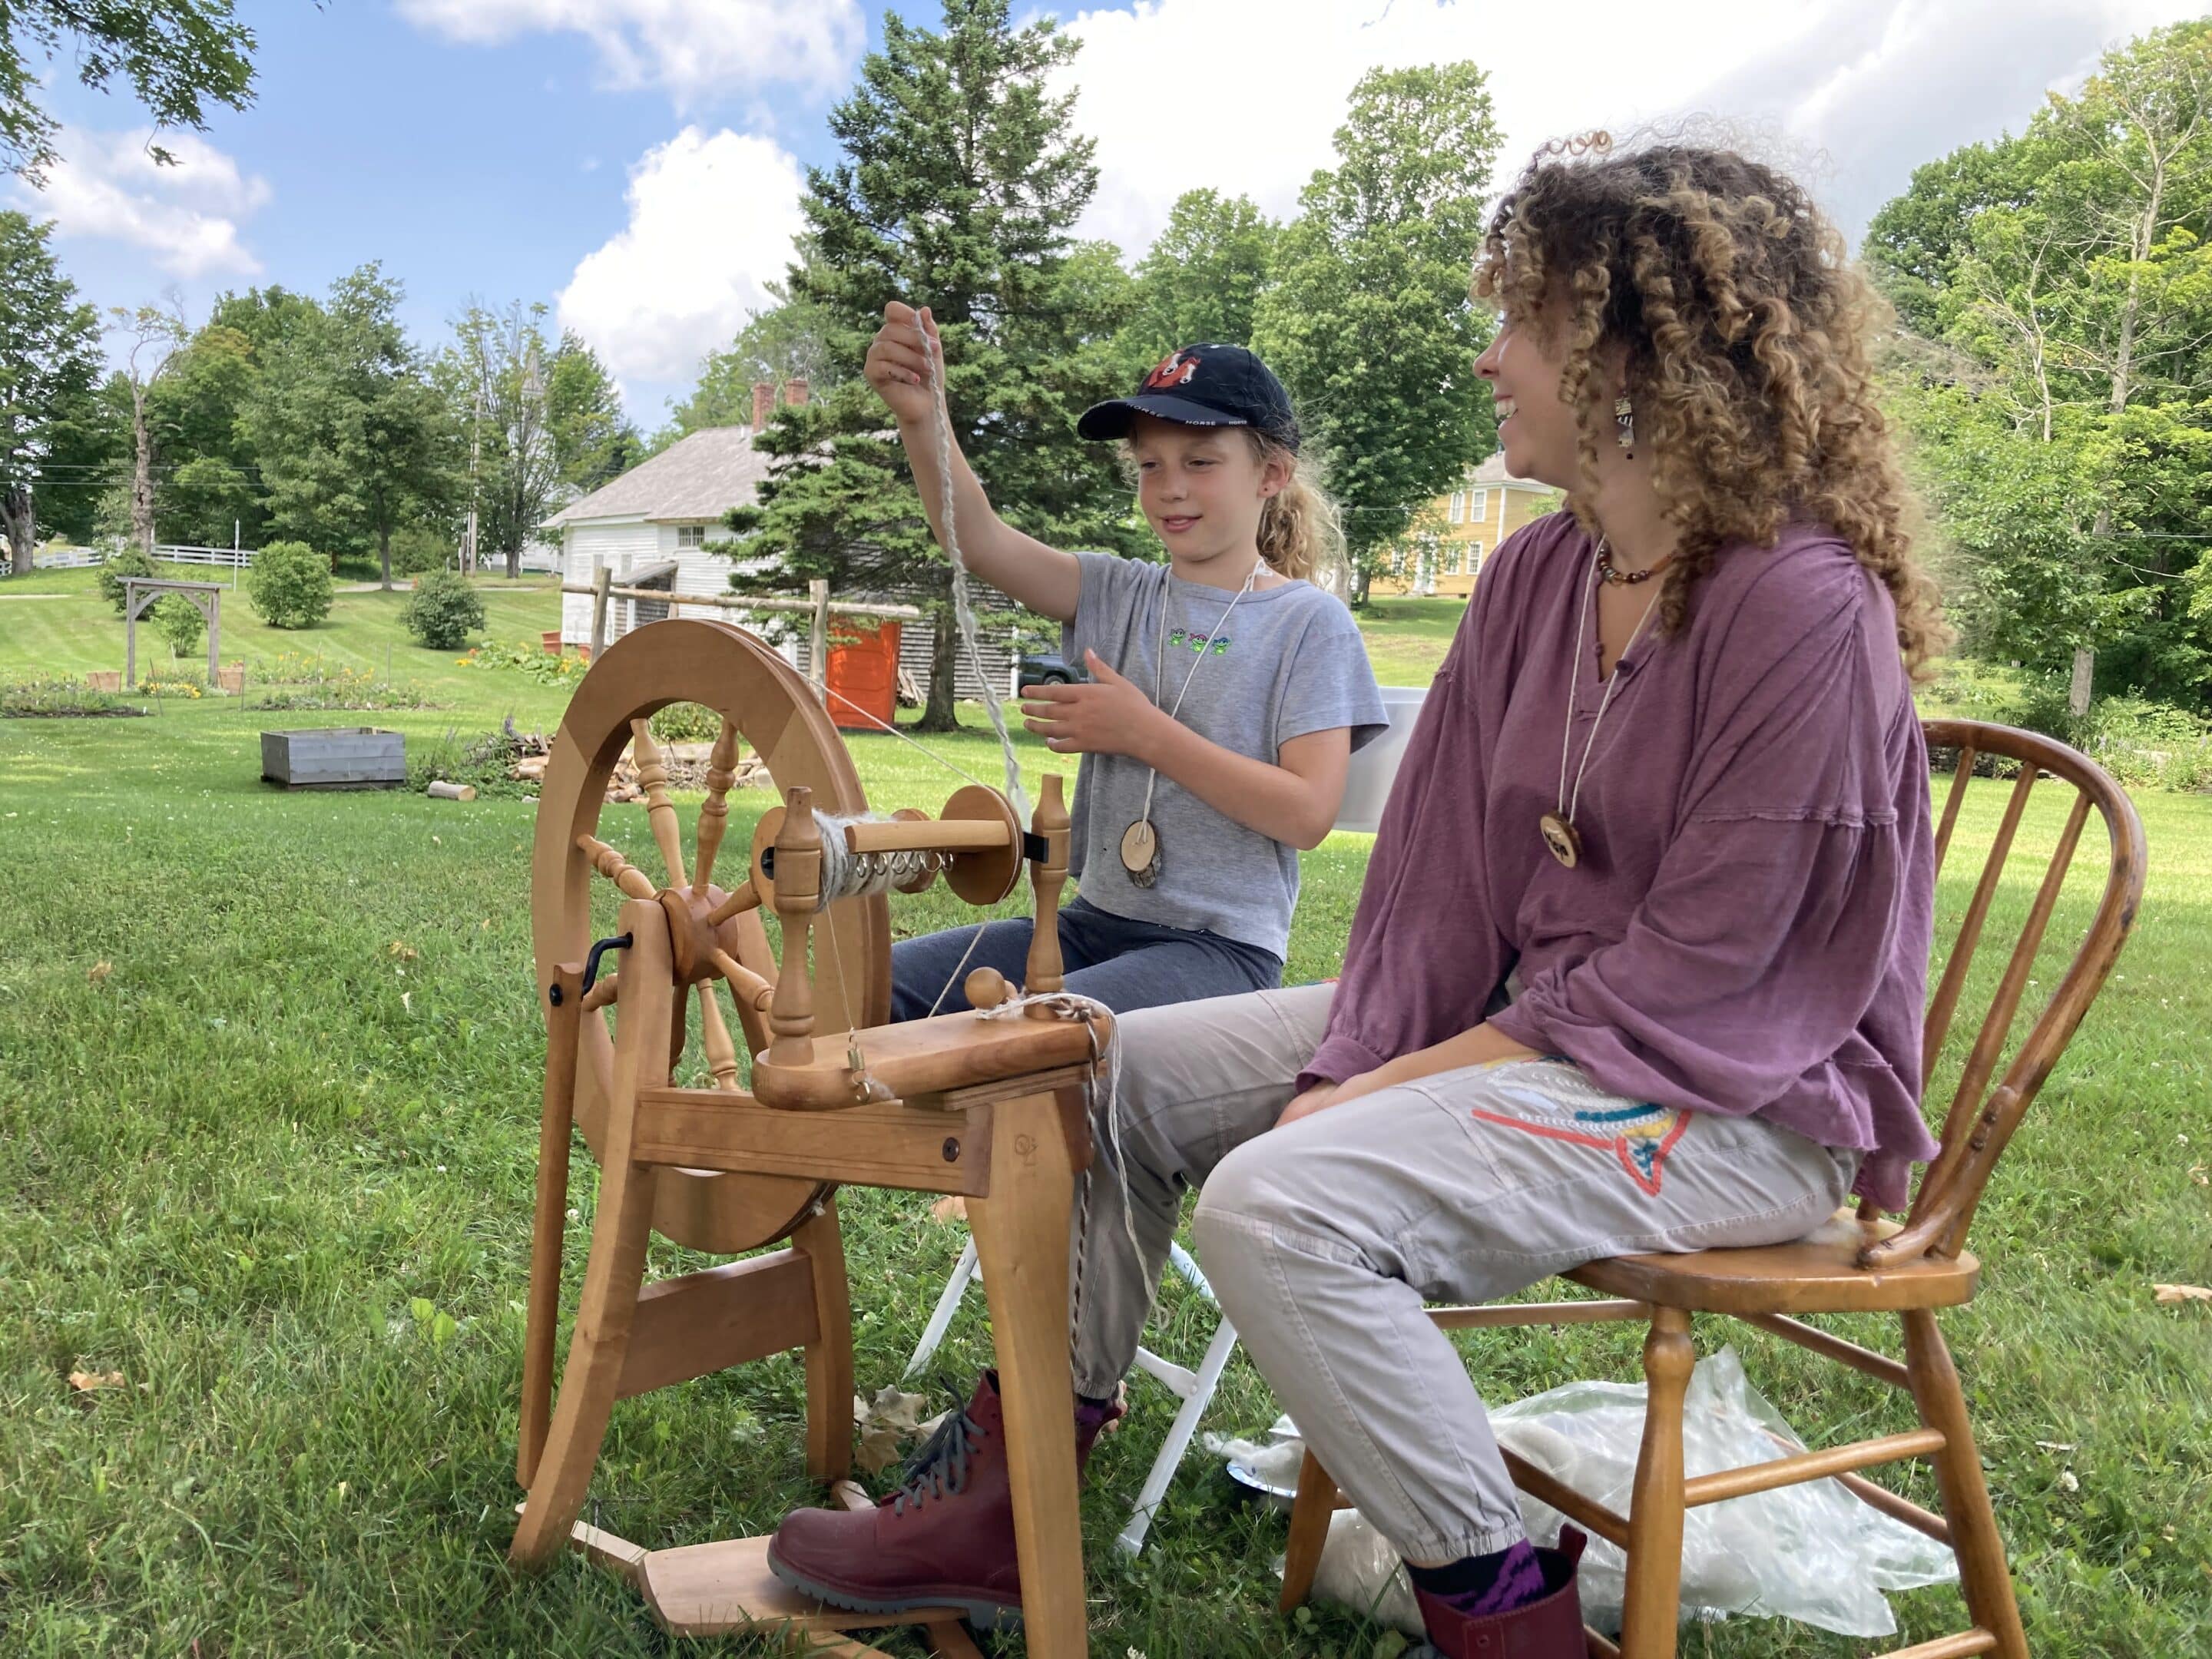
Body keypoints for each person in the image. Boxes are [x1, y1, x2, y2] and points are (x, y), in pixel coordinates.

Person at [768, 136, 1949, 1657]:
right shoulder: (1537, 584)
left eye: (1519, 319)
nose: (1489, 358)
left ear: (1625, 350)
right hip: (1547, 1034)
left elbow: (1710, 979)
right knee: (1094, 1068)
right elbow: (1435, 898)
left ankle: (1514, 1626)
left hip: (1738, 1101)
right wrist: (1361, 1055)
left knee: (1284, 1202)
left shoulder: (1802, 605)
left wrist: (1375, 1091)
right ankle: (1010, 1508)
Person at [859, 310, 1386, 1020]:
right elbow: (976, 539)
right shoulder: (1115, 592)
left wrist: (1142, 733)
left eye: (1200, 463)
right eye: (1150, 465)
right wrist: (925, 419)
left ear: (1272, 474)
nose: (1170, 486)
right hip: (1085, 927)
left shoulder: (1308, 623)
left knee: (1032, 1031)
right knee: (870, 983)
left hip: (1220, 951)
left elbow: (1306, 815)